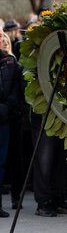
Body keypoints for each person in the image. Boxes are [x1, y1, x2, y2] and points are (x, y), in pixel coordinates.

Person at [0, 34, 22, 217]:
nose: (4, 41)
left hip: (8, 117)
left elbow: (16, 90)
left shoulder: (13, 63)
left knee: (5, 161)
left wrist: (6, 108)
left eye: (6, 38)